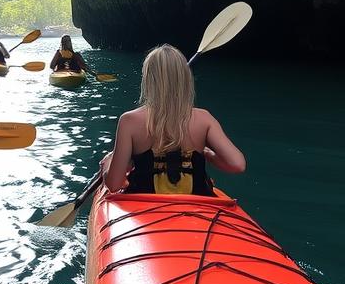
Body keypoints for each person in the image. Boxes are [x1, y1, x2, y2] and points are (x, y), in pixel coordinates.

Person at [100, 44, 245, 195]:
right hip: (197, 207)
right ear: (185, 78)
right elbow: (237, 165)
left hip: (144, 206)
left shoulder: (129, 121)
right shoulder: (204, 118)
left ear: (148, 79)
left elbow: (114, 184)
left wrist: (108, 164)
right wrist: (207, 153)